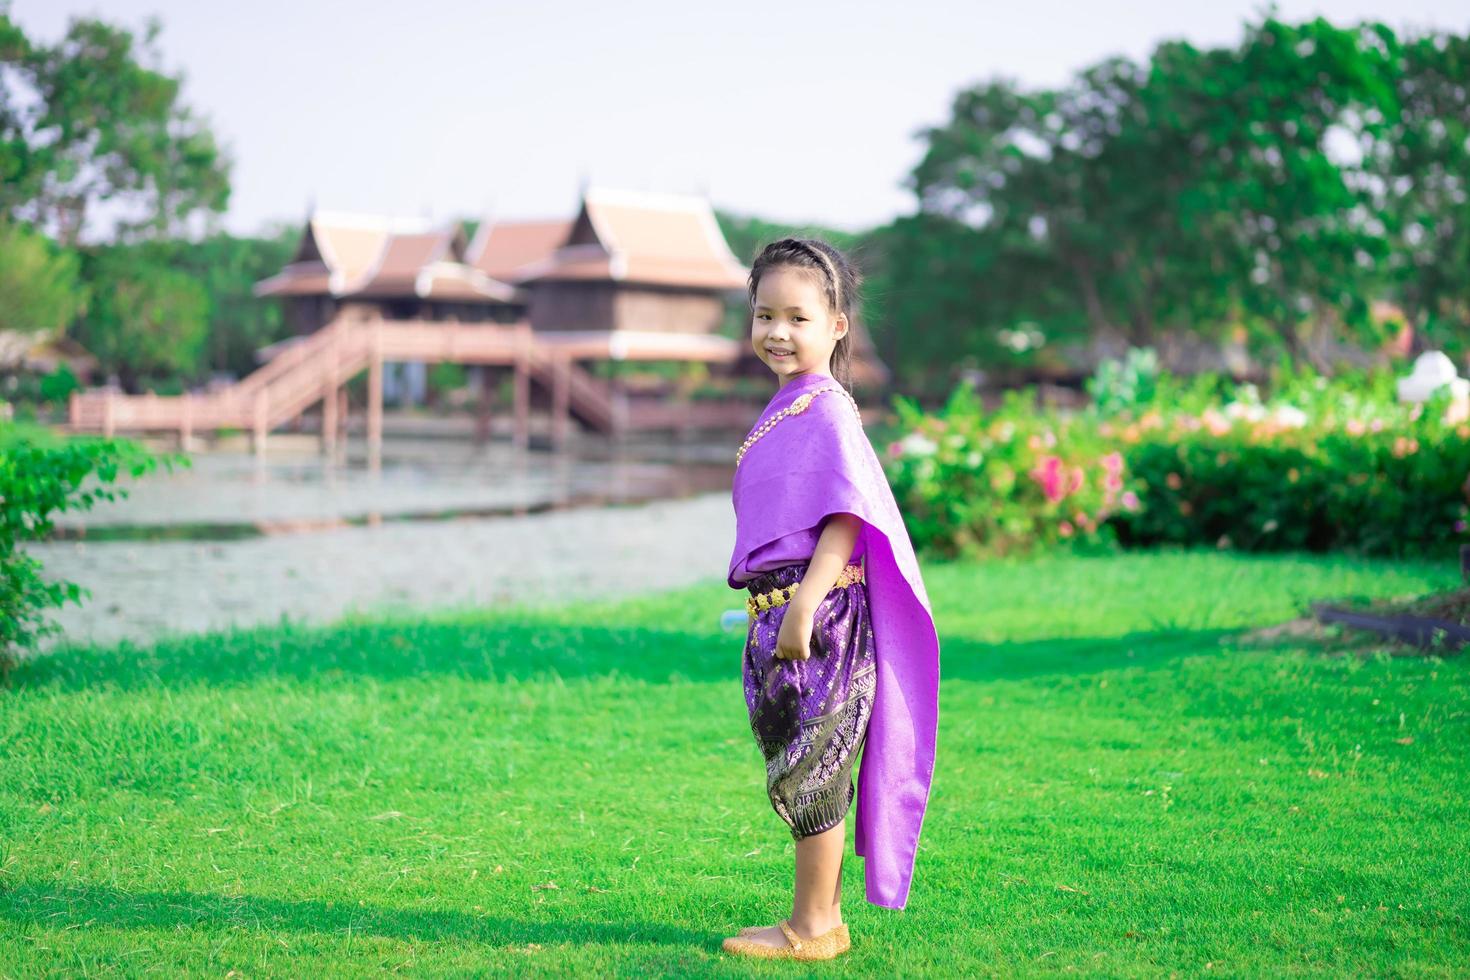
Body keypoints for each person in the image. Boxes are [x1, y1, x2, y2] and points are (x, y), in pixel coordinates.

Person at [720, 238, 941, 962]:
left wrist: (806, 605)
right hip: (779, 613)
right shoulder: (791, 405)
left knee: (817, 769)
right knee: (800, 761)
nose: (778, 331)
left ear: (837, 324)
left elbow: (846, 517)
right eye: (764, 315)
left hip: (818, 617)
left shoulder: (827, 409)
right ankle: (821, 919)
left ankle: (814, 928)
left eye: (797, 317)